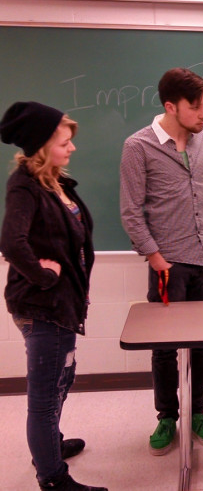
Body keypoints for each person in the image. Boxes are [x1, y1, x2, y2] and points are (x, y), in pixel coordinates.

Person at [120, 67, 203, 455]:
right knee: (164, 346)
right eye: (197, 108)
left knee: (202, 344)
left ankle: (197, 413)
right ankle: (167, 417)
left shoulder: (201, 136)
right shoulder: (138, 147)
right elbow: (130, 212)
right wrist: (157, 259)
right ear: (171, 106)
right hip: (168, 263)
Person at [0, 102, 107, 491]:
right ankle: (52, 476)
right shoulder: (25, 185)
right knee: (45, 395)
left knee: (63, 377)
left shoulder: (54, 182)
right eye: (65, 142)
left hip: (61, 305)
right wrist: (45, 277)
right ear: (43, 146)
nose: (72, 148)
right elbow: (11, 241)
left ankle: (50, 446)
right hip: (43, 307)